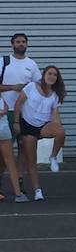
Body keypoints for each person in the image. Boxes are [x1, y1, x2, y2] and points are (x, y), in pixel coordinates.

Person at [13, 65, 66, 199]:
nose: (52, 76)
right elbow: (18, 104)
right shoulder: (31, 87)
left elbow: (55, 115)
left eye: (55, 75)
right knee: (31, 160)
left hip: (43, 126)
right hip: (28, 126)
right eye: (50, 73)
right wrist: (16, 122)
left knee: (60, 131)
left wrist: (56, 126)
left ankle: (53, 157)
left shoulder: (55, 95)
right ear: (43, 75)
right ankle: (37, 191)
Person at [0, 33, 41, 189]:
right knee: (4, 152)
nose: (21, 44)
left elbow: (38, 88)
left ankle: (19, 180)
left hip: (25, 113)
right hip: (6, 113)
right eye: (18, 42)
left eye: (23, 42)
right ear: (12, 44)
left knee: (23, 149)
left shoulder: (31, 64)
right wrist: (12, 87)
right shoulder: (4, 62)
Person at [0, 96, 25, 202]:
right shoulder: (2, 98)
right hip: (3, 128)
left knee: (9, 160)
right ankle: (18, 194)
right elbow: (5, 108)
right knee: (10, 161)